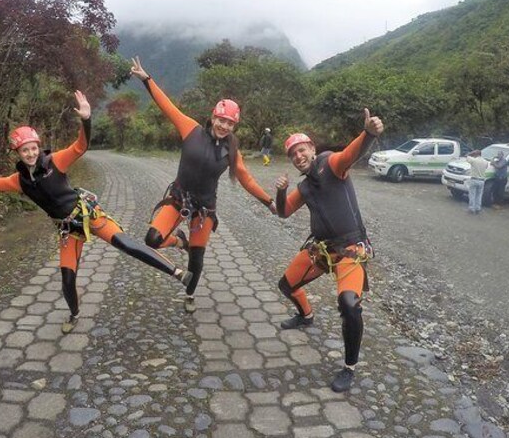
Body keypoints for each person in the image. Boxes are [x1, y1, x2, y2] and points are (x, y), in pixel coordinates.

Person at [0, 91, 188, 334]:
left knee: (126, 244)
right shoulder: (19, 181)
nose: (30, 154)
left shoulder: (55, 162)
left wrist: (86, 120)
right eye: (24, 150)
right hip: (67, 229)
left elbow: (80, 146)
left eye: (32, 148)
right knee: (67, 278)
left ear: (38, 147)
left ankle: (176, 272)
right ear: (17, 153)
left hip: (87, 214)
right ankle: (74, 313)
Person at [130, 56, 276, 313]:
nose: (224, 125)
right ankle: (178, 242)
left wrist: (269, 202)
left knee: (197, 257)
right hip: (178, 199)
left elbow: (247, 179)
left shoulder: (232, 150)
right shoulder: (191, 130)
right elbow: (167, 107)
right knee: (152, 238)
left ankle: (189, 293)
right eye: (221, 120)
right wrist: (146, 79)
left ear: (234, 126)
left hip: (205, 210)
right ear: (213, 117)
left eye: (229, 123)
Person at [274, 109, 384, 392]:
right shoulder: (305, 186)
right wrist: (280, 192)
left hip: (350, 249)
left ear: (312, 149)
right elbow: (284, 212)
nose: (298, 156)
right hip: (321, 250)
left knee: (349, 305)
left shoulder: (330, 164)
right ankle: (306, 315)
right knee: (287, 285)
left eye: (302, 150)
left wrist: (368, 133)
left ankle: (349, 367)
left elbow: (349, 155)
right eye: (293, 154)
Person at [465, 149, 488, 214]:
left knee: (472, 195)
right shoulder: (485, 161)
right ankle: (478, 208)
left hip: (474, 179)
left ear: (475, 154)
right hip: (481, 180)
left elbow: (467, 156)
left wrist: (471, 153)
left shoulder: (473, 160)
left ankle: (471, 208)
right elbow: (486, 167)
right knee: (479, 195)